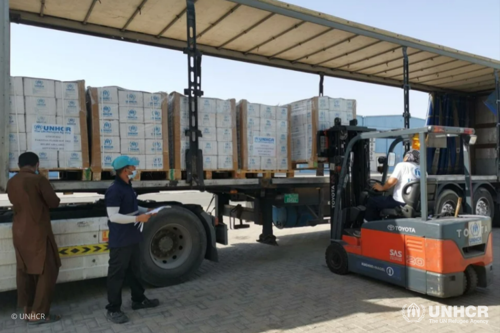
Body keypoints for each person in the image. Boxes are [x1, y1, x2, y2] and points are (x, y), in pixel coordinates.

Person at [6, 152, 62, 325]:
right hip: (38, 232)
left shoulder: (12, 182)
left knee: (26, 271)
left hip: (20, 231)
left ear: (19, 164)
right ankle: (38, 314)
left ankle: (28, 309)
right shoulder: (38, 180)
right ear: (37, 164)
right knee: (47, 271)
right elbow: (54, 202)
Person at [105, 155, 159, 324]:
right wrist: (137, 219)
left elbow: (132, 208)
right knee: (117, 275)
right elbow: (113, 216)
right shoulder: (114, 190)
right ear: (124, 169)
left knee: (135, 270)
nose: (135, 170)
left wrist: (146, 210)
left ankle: (138, 300)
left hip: (132, 236)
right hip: (120, 239)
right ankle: (113, 309)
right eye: (132, 167)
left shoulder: (128, 186)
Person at [364, 149, 423, 221]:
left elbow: (391, 182)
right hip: (416, 204)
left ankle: (368, 226)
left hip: (400, 202)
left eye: (404, 156)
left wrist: (382, 188)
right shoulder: (422, 169)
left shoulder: (402, 165)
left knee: (372, 201)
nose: (403, 158)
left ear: (407, 157)